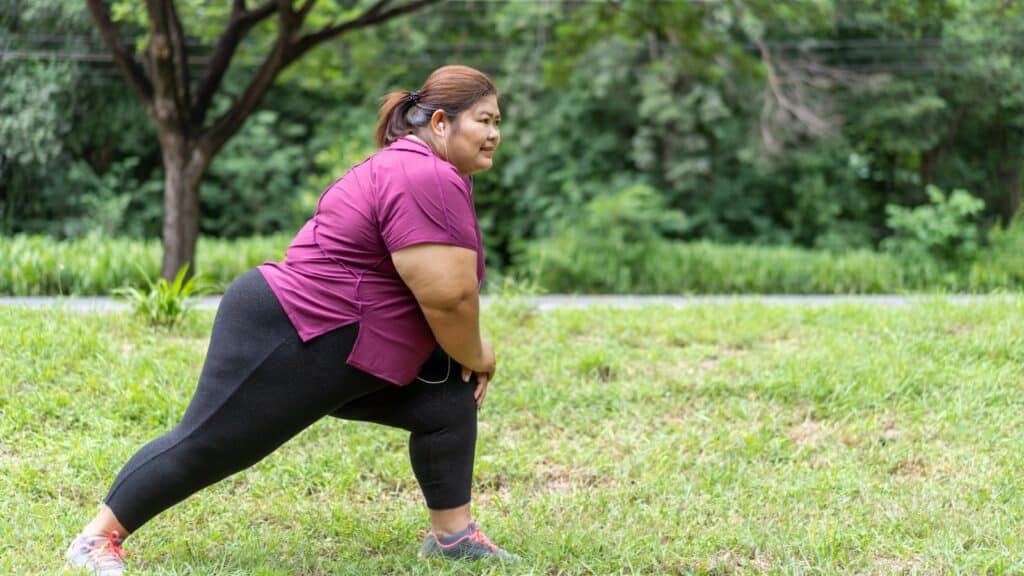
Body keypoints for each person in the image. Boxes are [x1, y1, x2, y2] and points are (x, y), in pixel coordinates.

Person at [64, 64, 517, 575]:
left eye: (498, 120)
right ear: (440, 123)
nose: (495, 133)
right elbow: (448, 299)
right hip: (292, 329)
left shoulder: (431, 173)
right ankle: (95, 539)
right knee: (210, 443)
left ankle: (453, 538)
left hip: (350, 344)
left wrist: (463, 358)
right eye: (484, 120)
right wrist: (478, 352)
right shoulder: (423, 174)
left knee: (445, 394)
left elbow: (443, 292)